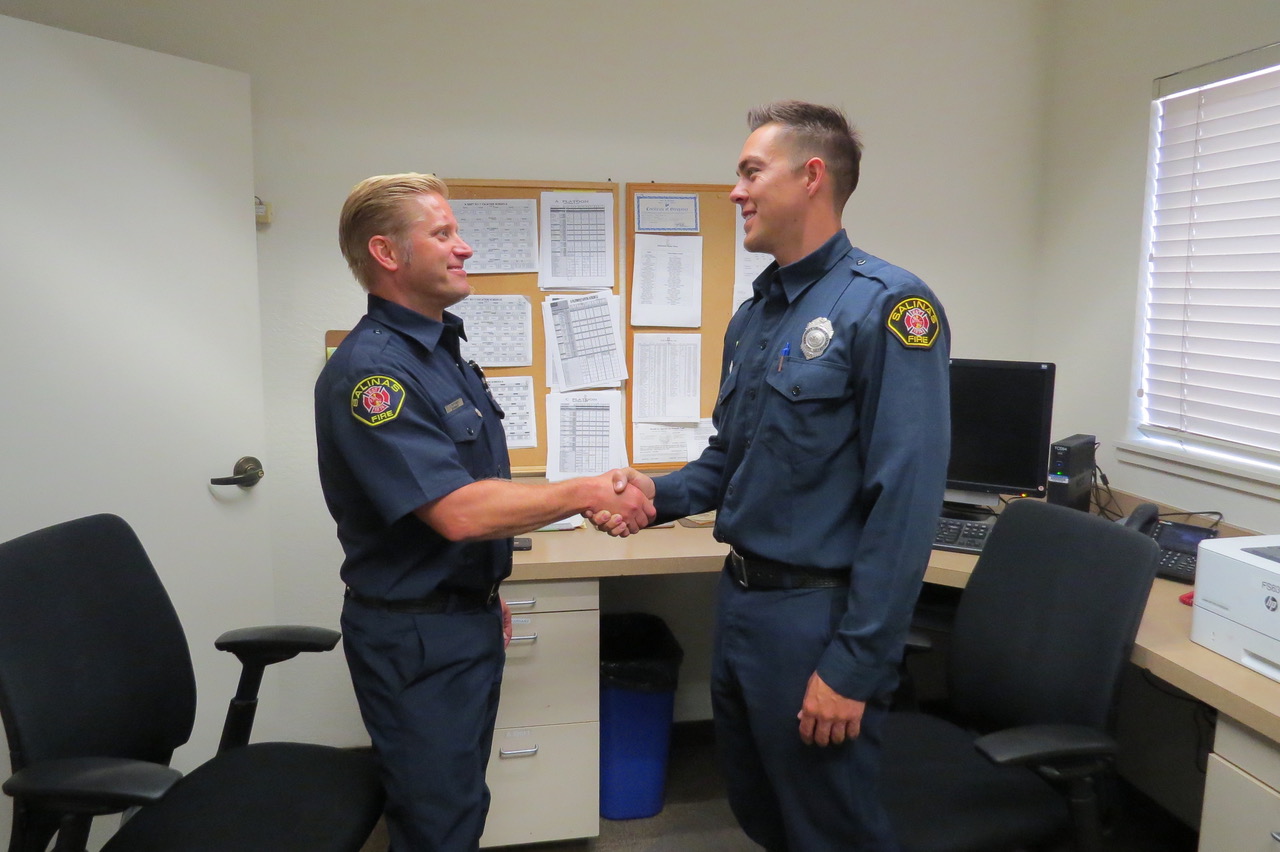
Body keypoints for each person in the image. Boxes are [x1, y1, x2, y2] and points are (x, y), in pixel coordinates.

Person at [620, 102, 951, 850]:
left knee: (829, 825)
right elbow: (729, 461)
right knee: (763, 810)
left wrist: (857, 664)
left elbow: (904, 503)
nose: (735, 192)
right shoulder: (756, 315)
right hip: (741, 605)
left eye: (749, 172)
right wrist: (653, 496)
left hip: (818, 618)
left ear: (811, 177)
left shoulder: (891, 306)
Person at [314, 172, 654, 852]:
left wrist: (481, 588)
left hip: (457, 618)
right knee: (438, 821)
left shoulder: (441, 353)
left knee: (459, 803)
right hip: (418, 638)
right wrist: (589, 491)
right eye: (442, 234)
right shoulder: (374, 375)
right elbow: (459, 512)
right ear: (387, 253)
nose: (464, 248)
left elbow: (471, 495)